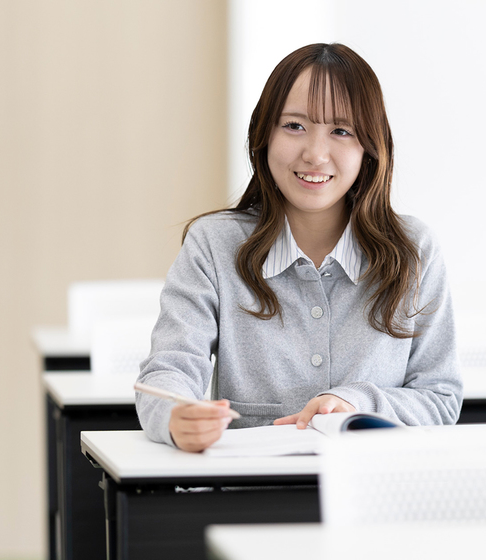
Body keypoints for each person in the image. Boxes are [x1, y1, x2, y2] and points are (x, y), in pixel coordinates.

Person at [136, 43, 462, 452]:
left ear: (369, 149)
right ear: (264, 134)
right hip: (253, 491)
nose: (315, 154)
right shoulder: (214, 245)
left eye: (341, 131)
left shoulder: (414, 250)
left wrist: (356, 405)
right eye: (294, 126)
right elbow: (167, 371)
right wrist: (176, 415)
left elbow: (440, 397)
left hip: (376, 494)